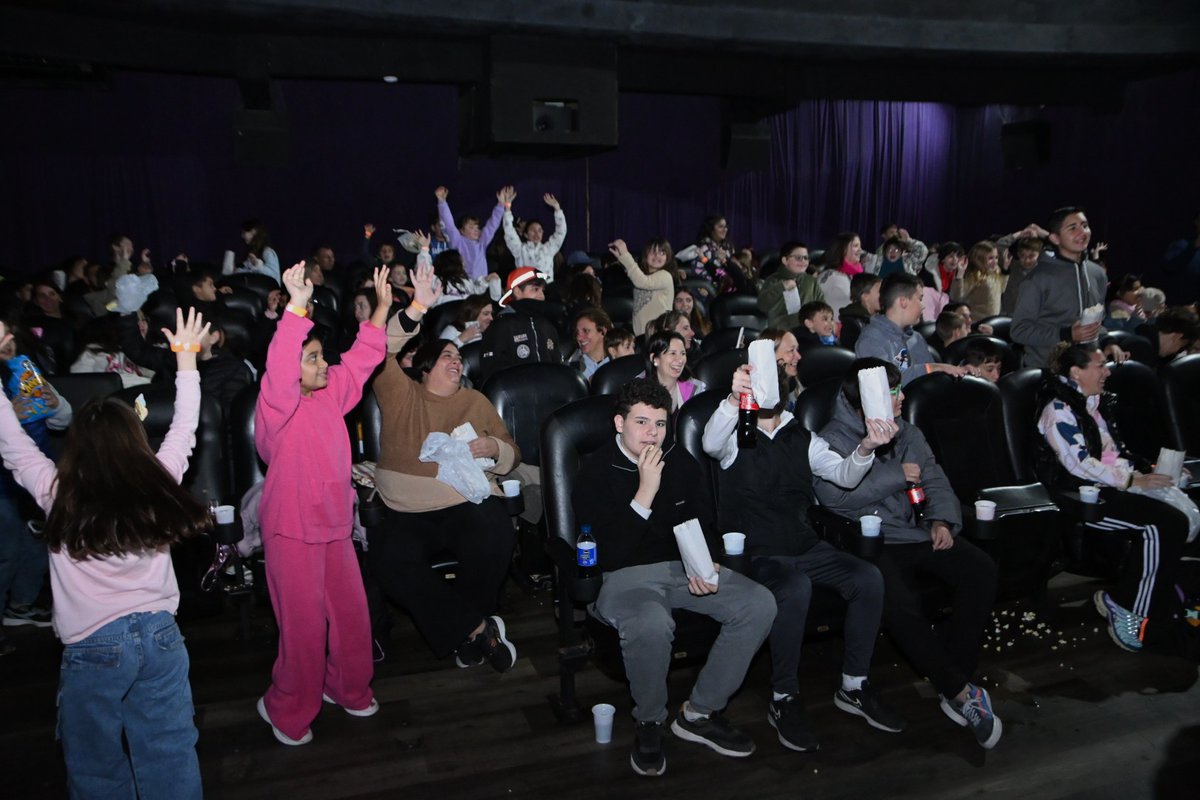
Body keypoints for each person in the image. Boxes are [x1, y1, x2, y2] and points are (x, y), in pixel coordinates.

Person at [0, 310, 210, 798]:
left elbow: (12, 444)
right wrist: (186, 361)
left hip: (92, 648)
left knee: (97, 768)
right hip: (161, 638)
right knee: (170, 752)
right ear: (135, 442)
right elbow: (184, 426)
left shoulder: (57, 491)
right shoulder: (159, 479)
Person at [572, 378, 776, 776]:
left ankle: (699, 714)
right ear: (619, 423)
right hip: (621, 577)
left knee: (758, 603)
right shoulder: (594, 472)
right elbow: (607, 554)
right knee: (651, 621)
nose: (653, 434)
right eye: (642, 423)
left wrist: (705, 561)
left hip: (681, 567)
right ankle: (649, 721)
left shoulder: (678, 460)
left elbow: (699, 518)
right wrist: (645, 492)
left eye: (661, 424)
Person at [702, 362, 905, 751]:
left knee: (868, 578)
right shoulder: (736, 433)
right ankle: (784, 698)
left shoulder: (801, 436)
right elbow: (710, 444)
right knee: (794, 588)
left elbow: (843, 475)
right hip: (758, 553)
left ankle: (854, 685)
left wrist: (865, 448)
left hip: (805, 545)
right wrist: (732, 398)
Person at [815, 358, 1002, 750]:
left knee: (980, 569)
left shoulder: (908, 431)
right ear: (869, 401)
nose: (902, 398)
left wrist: (942, 521)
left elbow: (933, 476)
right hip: (870, 538)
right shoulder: (833, 438)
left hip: (917, 530)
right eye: (894, 392)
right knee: (900, 602)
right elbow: (834, 498)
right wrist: (897, 476)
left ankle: (955, 676)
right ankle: (959, 692)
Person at [253, 263, 393, 746]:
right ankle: (286, 708)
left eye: (320, 357)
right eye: (311, 359)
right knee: (304, 629)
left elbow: (358, 360)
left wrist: (384, 310)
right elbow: (278, 369)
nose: (321, 365)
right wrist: (294, 310)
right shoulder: (277, 407)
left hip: (334, 525)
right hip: (291, 530)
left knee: (353, 615)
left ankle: (348, 687)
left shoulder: (330, 394)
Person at [368, 257, 520, 671]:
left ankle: (467, 633)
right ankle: (475, 628)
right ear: (424, 366)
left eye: (459, 357)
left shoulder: (475, 401)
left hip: (464, 501)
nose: (457, 361)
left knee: (494, 533)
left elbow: (511, 451)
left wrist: (493, 446)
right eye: (447, 356)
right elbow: (378, 347)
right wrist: (416, 308)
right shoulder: (400, 393)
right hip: (407, 509)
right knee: (388, 559)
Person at [1035, 344, 1191, 652]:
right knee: (1162, 524)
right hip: (1077, 497)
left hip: (1106, 487)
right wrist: (1133, 479)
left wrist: (1147, 469)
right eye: (1099, 365)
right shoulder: (1058, 410)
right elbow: (1077, 463)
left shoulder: (1093, 403)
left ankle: (1162, 598)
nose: (1107, 372)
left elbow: (1111, 452)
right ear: (1075, 372)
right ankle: (1131, 609)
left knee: (1180, 516)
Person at [1011, 207, 1126, 369]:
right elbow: (1019, 331)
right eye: (1073, 228)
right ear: (1055, 238)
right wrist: (1066, 335)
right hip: (1047, 371)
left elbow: (1096, 323)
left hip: (1087, 371)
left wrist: (1108, 342)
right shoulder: (1037, 278)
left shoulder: (1098, 274)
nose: (1082, 232)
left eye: (1085, 226)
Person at [855, 273, 965, 384]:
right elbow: (886, 384)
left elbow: (934, 381)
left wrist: (961, 371)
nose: (923, 306)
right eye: (920, 299)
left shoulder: (915, 338)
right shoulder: (871, 340)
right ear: (903, 302)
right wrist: (933, 368)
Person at [478, 267, 564, 381]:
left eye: (542, 290)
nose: (541, 296)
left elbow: (559, 366)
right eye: (535, 289)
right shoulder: (500, 326)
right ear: (517, 292)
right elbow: (493, 375)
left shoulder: (547, 324)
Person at [435, 185, 510, 281]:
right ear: (461, 231)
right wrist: (442, 202)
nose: (476, 230)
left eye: (477, 227)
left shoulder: (481, 243)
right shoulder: (457, 242)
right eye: (471, 227)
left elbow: (492, 225)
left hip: (481, 288)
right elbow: (449, 225)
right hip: (464, 287)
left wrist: (500, 204)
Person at [609, 238, 675, 337]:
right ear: (645, 255)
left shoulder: (665, 276)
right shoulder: (642, 275)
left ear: (668, 257)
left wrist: (626, 255)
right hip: (640, 334)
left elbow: (643, 282)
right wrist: (622, 257)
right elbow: (638, 277)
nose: (657, 256)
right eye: (653, 251)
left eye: (662, 253)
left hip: (658, 335)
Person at [758, 241, 824, 330]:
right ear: (785, 260)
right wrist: (781, 287)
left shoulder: (811, 281)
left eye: (806, 258)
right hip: (781, 333)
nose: (803, 261)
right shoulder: (773, 280)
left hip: (808, 332)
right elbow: (763, 305)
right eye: (798, 258)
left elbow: (822, 307)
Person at [503, 192, 567, 283]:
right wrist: (507, 208)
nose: (537, 233)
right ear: (525, 234)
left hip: (546, 291)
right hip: (526, 292)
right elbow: (509, 232)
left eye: (540, 230)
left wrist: (557, 209)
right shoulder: (520, 249)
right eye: (533, 230)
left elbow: (561, 232)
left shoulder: (548, 249)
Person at [818, 233, 877, 322]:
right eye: (856, 246)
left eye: (860, 246)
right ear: (843, 249)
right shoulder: (830, 276)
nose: (860, 250)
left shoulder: (855, 275)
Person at [643, 331, 705, 412]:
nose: (680, 360)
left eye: (683, 353)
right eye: (673, 353)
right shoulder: (639, 392)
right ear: (655, 358)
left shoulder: (696, 390)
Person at [691, 215, 745, 293]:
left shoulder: (728, 247)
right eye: (720, 227)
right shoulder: (703, 249)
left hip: (731, 288)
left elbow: (736, 272)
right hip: (709, 289)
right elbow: (700, 272)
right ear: (711, 229)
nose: (725, 230)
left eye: (725, 227)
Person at [954, 241, 1007, 321]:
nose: (995, 261)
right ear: (979, 259)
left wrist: (1006, 271)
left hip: (992, 321)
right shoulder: (975, 275)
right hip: (977, 322)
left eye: (996, 257)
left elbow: (1001, 290)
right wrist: (960, 274)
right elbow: (957, 297)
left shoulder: (995, 272)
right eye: (990, 258)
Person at [223, 219, 281, 284]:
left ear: (253, 231)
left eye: (244, 233)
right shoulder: (252, 254)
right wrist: (235, 271)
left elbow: (274, 276)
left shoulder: (268, 252)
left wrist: (258, 265)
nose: (242, 236)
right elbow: (249, 272)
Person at [757, 329, 802, 410]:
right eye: (791, 350)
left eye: (797, 350)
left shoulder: (795, 384)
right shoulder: (760, 398)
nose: (799, 357)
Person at [1000, 236, 1043, 315]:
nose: (1026, 260)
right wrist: (1020, 234)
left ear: (1039, 255)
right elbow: (999, 246)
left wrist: (1043, 233)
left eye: (1031, 256)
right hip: (1007, 315)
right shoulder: (1012, 266)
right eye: (1022, 256)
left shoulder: (1045, 273)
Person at [839, 272, 882, 349]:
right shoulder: (852, 325)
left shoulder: (880, 318)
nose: (883, 294)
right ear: (865, 296)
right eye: (879, 291)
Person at [568, 308, 613, 380]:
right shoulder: (572, 368)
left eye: (585, 331)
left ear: (603, 331)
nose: (579, 338)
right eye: (577, 332)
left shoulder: (618, 361)